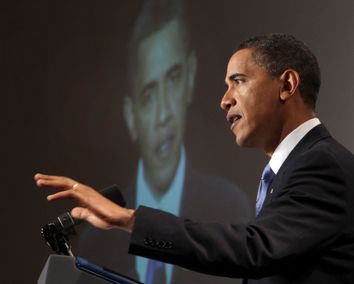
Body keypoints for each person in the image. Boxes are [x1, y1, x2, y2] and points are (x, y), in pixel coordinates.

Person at [35, 33, 354, 283]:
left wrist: (130, 220)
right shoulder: (295, 168)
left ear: (287, 84)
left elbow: (254, 250)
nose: (224, 100)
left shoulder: (322, 165)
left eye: (238, 81)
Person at [75, 1, 250, 283]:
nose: (164, 114)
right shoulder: (97, 241)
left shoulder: (230, 209)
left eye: (173, 79)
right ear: (131, 117)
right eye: (149, 94)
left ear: (191, 78)